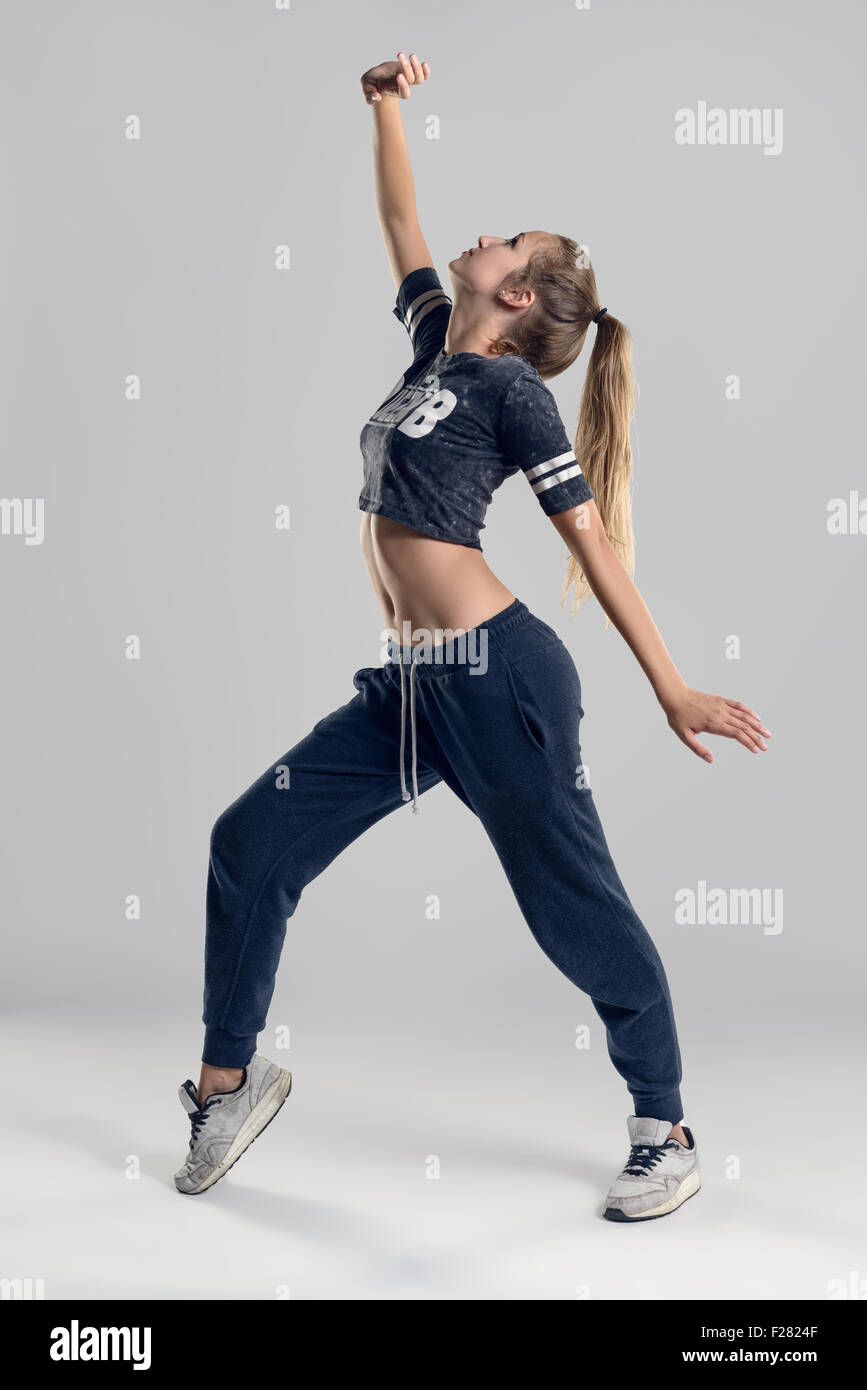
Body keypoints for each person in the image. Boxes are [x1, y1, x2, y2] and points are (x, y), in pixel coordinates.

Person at [173, 52, 770, 1221]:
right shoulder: (436, 341)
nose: (483, 236)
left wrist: (672, 687)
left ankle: (668, 1122)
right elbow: (403, 215)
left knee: (573, 910)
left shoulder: (513, 396)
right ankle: (225, 1086)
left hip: (502, 681)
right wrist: (387, 105)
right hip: (413, 685)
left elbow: (595, 545)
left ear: (522, 297)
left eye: (511, 242)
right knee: (251, 841)